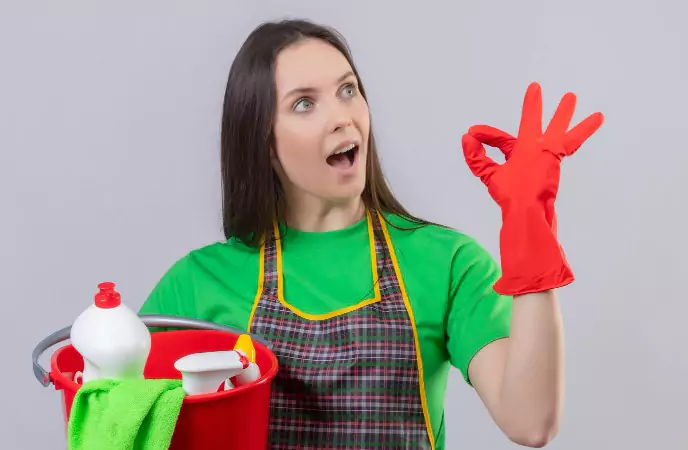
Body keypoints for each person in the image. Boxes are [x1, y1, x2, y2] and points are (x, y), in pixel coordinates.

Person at [139, 19, 604, 449]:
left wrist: (531, 231)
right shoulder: (198, 283)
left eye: (347, 90)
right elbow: (116, 416)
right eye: (304, 103)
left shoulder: (445, 262)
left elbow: (530, 420)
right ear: (262, 140)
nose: (342, 116)